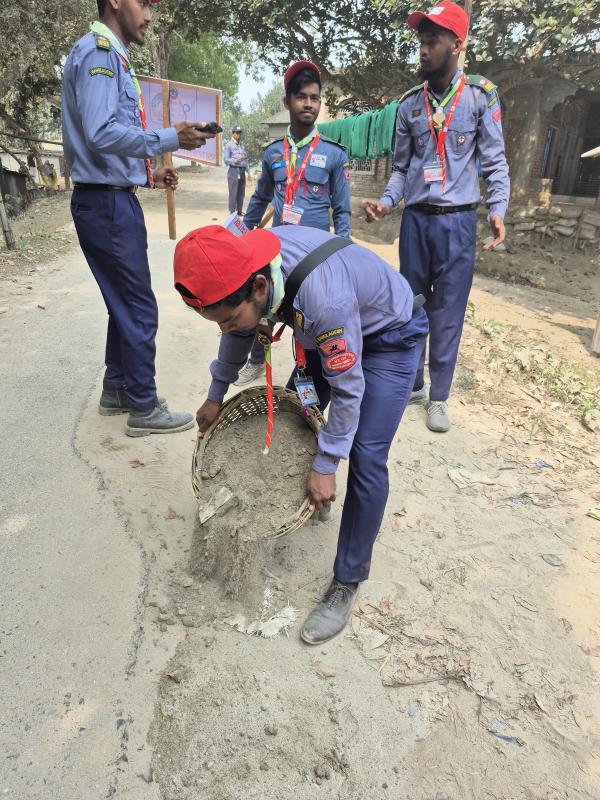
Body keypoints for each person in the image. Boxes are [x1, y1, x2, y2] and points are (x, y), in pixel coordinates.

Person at [172, 223, 428, 644]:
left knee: (365, 455)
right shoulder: (245, 270)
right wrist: (216, 395)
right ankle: (307, 502)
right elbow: (239, 331)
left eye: (230, 318)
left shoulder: (323, 300)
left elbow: (348, 389)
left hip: (388, 337)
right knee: (294, 418)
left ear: (259, 288)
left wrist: (326, 464)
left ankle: (347, 580)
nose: (226, 328)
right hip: (325, 332)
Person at [61, 0, 214, 436]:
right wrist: (169, 138)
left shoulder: (107, 55)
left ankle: (118, 389)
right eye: (144, 3)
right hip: (107, 206)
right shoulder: (99, 55)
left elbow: (101, 145)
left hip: (107, 198)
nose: (150, 15)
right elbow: (101, 132)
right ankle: (144, 407)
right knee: (139, 305)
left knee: (122, 302)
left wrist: (149, 175)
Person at [363, 0, 509, 433]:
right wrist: (387, 202)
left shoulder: (480, 96)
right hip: (416, 222)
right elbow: (402, 169)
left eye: (432, 42)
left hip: (458, 222)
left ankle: (439, 397)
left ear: (457, 45)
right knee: (410, 304)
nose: (423, 50)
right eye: (421, 42)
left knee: (447, 311)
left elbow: (495, 162)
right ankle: (412, 383)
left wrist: (497, 208)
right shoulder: (410, 105)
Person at [236, 60, 352, 386]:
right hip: (277, 251)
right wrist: (241, 235)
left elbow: (342, 211)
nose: (308, 104)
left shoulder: (334, 154)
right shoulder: (273, 153)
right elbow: (259, 199)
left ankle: (311, 375)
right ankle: (256, 360)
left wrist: (343, 252)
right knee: (263, 305)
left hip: (316, 256)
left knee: (312, 317)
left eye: (314, 98)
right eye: (301, 97)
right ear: (287, 101)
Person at [223, 125, 250, 215]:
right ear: (233, 133)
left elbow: (245, 159)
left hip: (242, 171)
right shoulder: (229, 145)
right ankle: (232, 212)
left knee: (241, 192)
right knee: (233, 192)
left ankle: (239, 211)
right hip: (233, 171)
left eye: (239, 133)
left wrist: (248, 172)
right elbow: (226, 160)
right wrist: (235, 160)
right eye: (237, 133)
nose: (238, 134)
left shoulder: (242, 145)